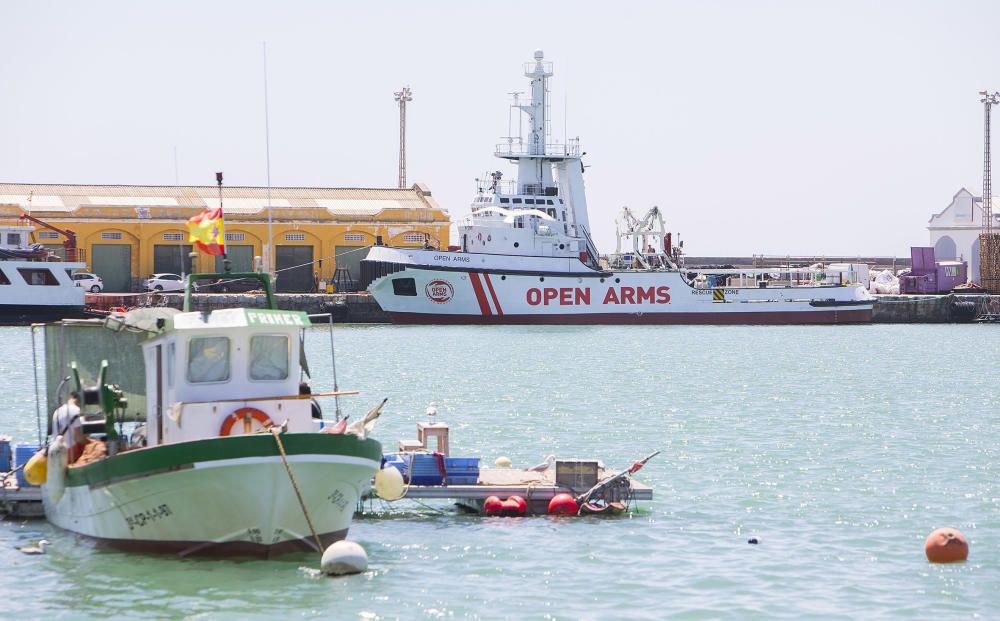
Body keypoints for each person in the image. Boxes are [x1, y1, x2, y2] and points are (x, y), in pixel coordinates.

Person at [52, 392, 83, 463]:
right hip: (70, 453)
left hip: (57, 453)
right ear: (78, 400)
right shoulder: (76, 410)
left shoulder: (57, 411)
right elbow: (78, 438)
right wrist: (90, 441)